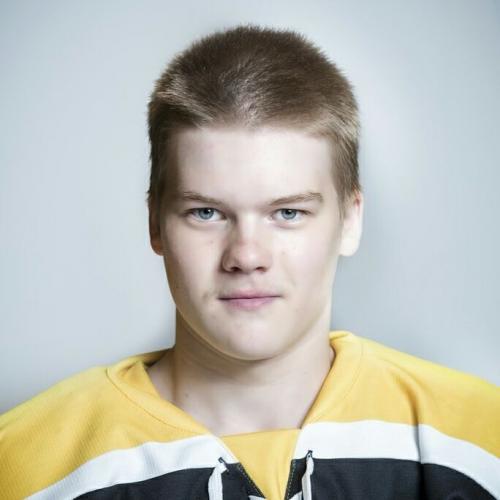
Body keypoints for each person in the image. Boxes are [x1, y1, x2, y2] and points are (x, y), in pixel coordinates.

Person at [1, 23, 499, 500]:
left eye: (288, 213)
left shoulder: (478, 441)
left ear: (350, 220)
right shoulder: (24, 465)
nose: (246, 256)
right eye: (206, 212)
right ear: (155, 223)